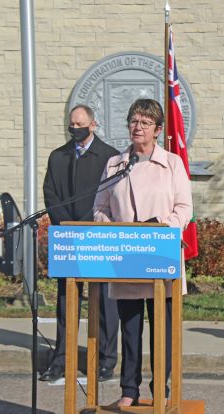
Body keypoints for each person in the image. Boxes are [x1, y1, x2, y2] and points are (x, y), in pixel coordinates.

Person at [93, 98, 193, 407]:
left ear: (158, 130)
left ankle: (160, 389)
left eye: (145, 123)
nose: (138, 127)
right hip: (126, 255)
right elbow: (99, 208)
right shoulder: (115, 164)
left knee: (162, 330)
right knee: (130, 328)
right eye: (134, 121)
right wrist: (113, 229)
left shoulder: (172, 163)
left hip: (159, 255)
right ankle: (129, 390)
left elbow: (184, 208)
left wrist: (164, 230)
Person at [41, 104, 120, 382]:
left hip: (98, 237)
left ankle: (105, 361)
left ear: (93, 124)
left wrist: (89, 224)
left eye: (80, 124)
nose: (75, 129)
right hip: (68, 237)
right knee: (66, 302)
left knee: (105, 303)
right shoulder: (58, 157)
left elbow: (112, 196)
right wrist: (65, 223)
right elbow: (50, 193)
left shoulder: (109, 157)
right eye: (72, 124)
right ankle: (61, 359)